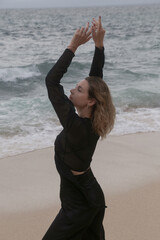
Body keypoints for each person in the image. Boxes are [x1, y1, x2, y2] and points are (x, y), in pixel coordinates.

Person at [42, 16, 116, 240]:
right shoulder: (91, 121)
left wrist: (73, 46)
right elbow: (97, 80)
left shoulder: (76, 127)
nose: (72, 91)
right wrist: (98, 46)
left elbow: (52, 81)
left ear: (91, 101)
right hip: (88, 197)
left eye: (79, 89)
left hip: (79, 206)